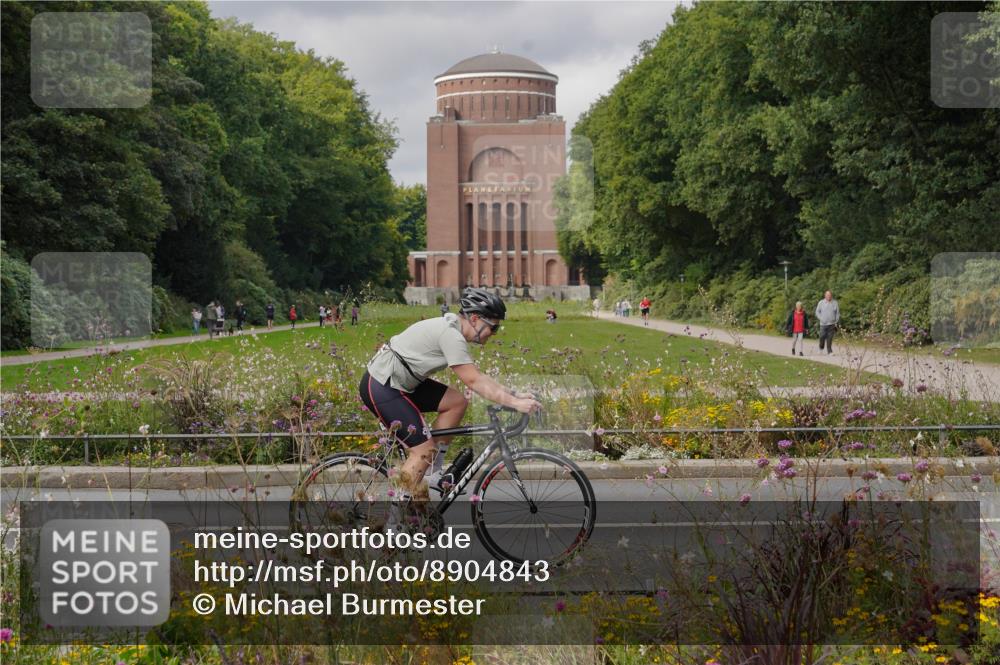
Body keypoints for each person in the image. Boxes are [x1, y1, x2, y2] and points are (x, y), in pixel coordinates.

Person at [359, 287, 540, 507]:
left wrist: (514, 395)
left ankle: (433, 474)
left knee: (456, 402)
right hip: (382, 384)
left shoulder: (453, 329)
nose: (494, 333)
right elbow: (473, 381)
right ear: (474, 319)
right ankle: (395, 524)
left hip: (402, 381)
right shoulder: (451, 335)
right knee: (422, 452)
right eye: (493, 328)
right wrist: (515, 403)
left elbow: (478, 377)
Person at [815, 290, 840, 355]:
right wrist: (821, 318)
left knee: (830, 338)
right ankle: (821, 348)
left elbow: (837, 313)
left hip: (832, 324)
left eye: (830, 295)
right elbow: (817, 312)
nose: (829, 296)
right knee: (822, 336)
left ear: (831, 296)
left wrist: (836, 321)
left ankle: (829, 351)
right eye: (827, 295)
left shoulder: (835, 302)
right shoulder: (821, 302)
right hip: (823, 324)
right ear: (825, 295)